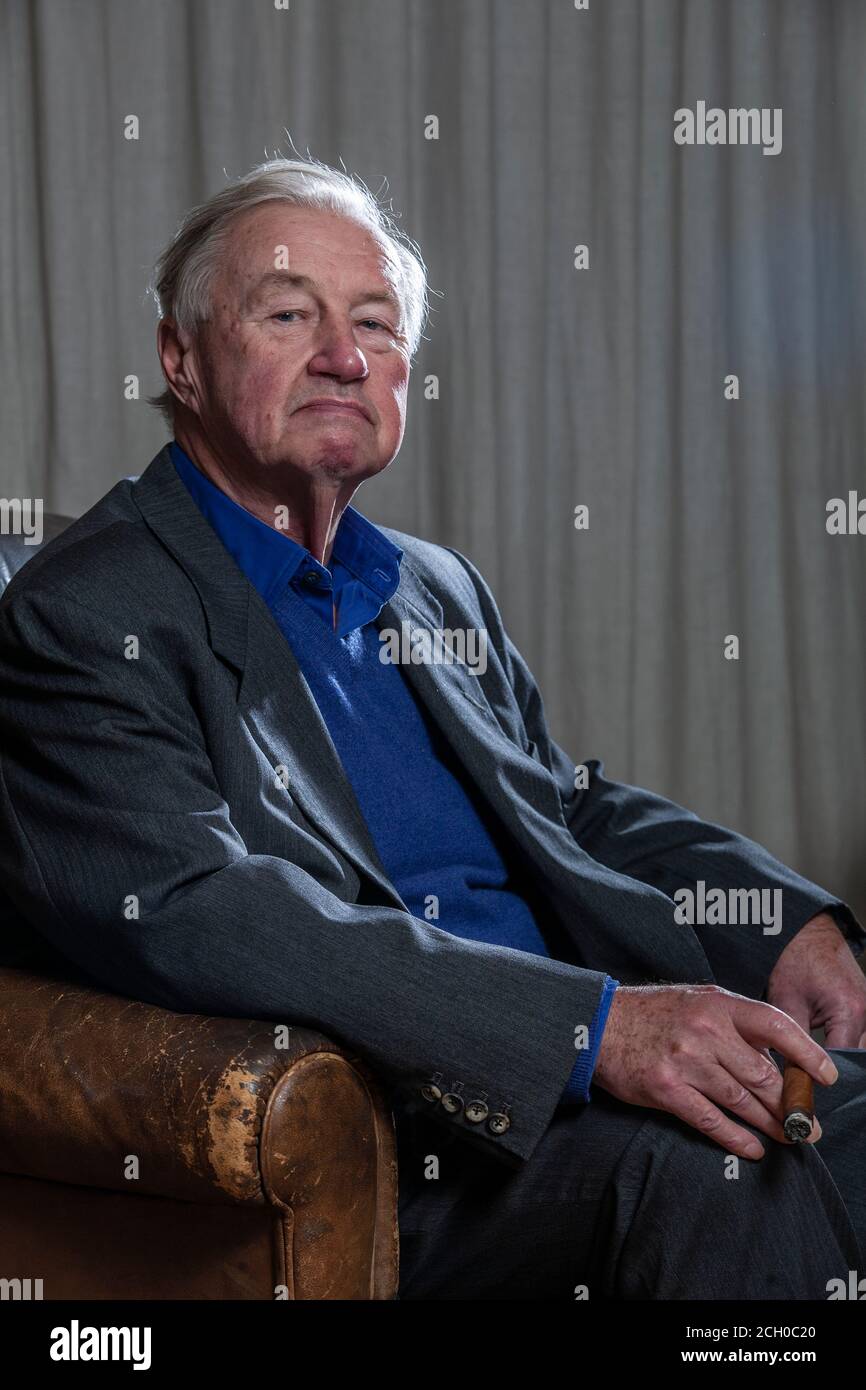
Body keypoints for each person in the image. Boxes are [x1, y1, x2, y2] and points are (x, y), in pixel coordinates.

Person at [1, 157, 864, 1300]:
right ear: (179, 358)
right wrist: (590, 1029)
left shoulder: (432, 587)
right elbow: (193, 911)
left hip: (582, 1086)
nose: (344, 356)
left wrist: (784, 922)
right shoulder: (83, 612)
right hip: (401, 1144)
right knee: (726, 1170)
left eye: (373, 323)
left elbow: (565, 804)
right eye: (287, 313)